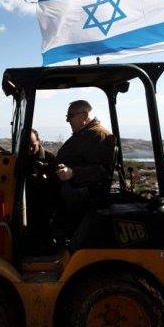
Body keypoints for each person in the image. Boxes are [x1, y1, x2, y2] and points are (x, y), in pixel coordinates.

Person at [52, 100, 115, 242]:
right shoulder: (85, 134)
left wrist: (73, 173)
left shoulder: (97, 135)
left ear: (85, 115)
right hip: (72, 191)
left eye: (70, 116)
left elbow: (102, 171)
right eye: (67, 116)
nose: (68, 120)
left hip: (82, 196)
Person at [25, 129, 56, 253]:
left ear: (38, 141)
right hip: (26, 208)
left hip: (46, 208)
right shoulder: (20, 160)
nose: (29, 149)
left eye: (32, 145)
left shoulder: (51, 159)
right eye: (26, 146)